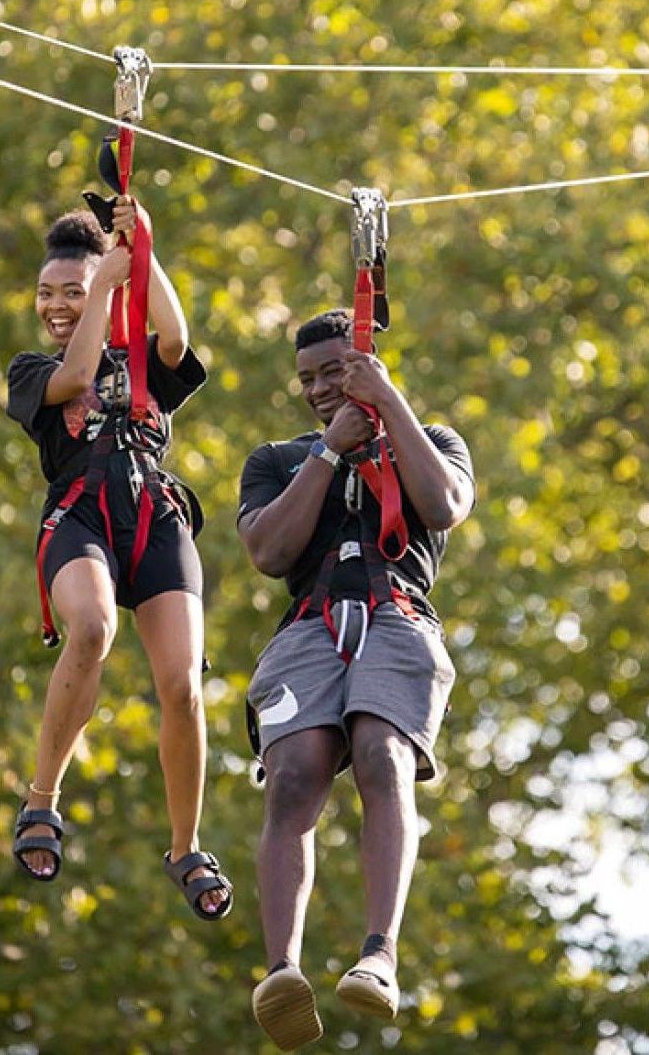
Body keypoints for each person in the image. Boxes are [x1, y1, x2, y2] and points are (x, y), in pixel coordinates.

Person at [237, 309, 474, 1048]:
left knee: (381, 752)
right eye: (307, 378)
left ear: (367, 364)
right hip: (309, 628)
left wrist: (386, 404)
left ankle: (379, 953)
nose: (317, 388)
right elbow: (271, 552)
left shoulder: (431, 440)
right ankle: (282, 969)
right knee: (294, 777)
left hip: (397, 618)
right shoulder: (276, 460)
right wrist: (329, 455)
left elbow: (443, 505)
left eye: (334, 371)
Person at [4, 197, 231, 920]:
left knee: (182, 685)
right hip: (82, 514)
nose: (56, 305)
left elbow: (175, 335)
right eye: (47, 292)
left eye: (71, 290)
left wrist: (144, 246)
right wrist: (103, 285)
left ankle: (186, 843)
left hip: (155, 518)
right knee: (94, 628)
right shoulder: (31, 369)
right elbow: (73, 380)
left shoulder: (143, 363)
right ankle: (42, 799)